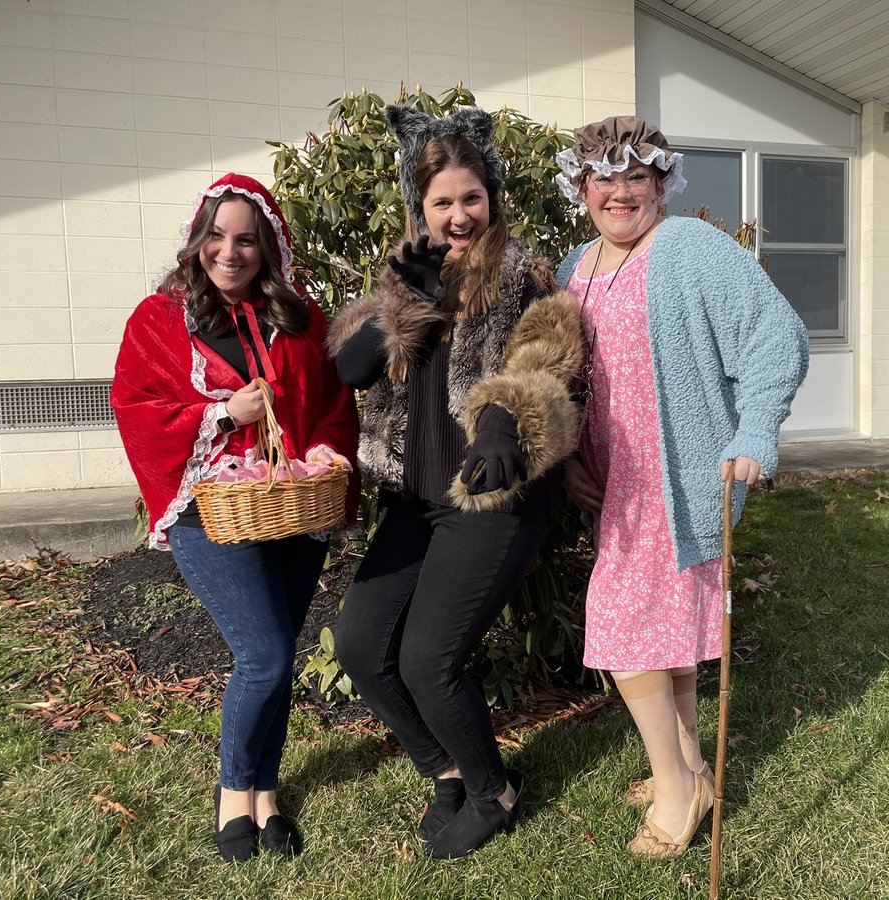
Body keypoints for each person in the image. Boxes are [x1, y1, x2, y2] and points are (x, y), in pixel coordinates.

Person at [326, 105, 584, 859]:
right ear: (421, 206)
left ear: (491, 199)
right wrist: (400, 304)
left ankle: (494, 791)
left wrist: (503, 421)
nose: (458, 214)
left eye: (471, 198)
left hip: (489, 499)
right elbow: (348, 370)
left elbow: (546, 360)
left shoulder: (522, 275)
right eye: (442, 201)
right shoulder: (405, 277)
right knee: (360, 645)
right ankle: (443, 770)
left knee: (427, 661)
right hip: (415, 502)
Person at [553, 117, 809, 858]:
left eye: (637, 176)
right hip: (616, 486)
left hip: (679, 476)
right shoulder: (578, 266)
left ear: (662, 183)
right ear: (582, 188)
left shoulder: (692, 249)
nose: (620, 192)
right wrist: (571, 457)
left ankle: (677, 788)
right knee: (661, 634)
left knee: (621, 625)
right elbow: (571, 379)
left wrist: (756, 431)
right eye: (604, 177)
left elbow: (775, 334)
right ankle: (690, 761)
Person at [110, 173, 359, 863]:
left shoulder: (300, 318)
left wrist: (326, 451)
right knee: (265, 655)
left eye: (246, 239)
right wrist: (221, 413)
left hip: (289, 506)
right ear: (199, 240)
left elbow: (335, 403)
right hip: (209, 513)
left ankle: (268, 793)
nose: (230, 251)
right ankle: (232, 795)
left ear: (268, 246)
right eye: (218, 236)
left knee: (277, 655)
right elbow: (135, 407)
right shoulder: (159, 319)